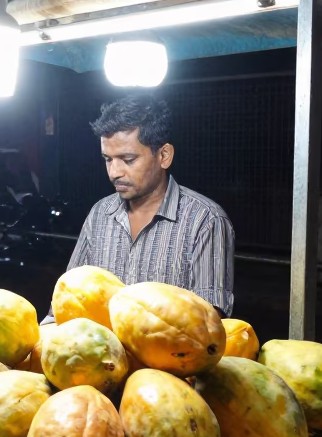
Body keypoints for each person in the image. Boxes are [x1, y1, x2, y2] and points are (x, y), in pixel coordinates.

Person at [65, 94, 236, 315]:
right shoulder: (100, 215)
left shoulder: (205, 221)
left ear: (164, 155)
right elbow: (69, 296)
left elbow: (208, 324)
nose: (114, 173)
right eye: (108, 159)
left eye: (128, 160)